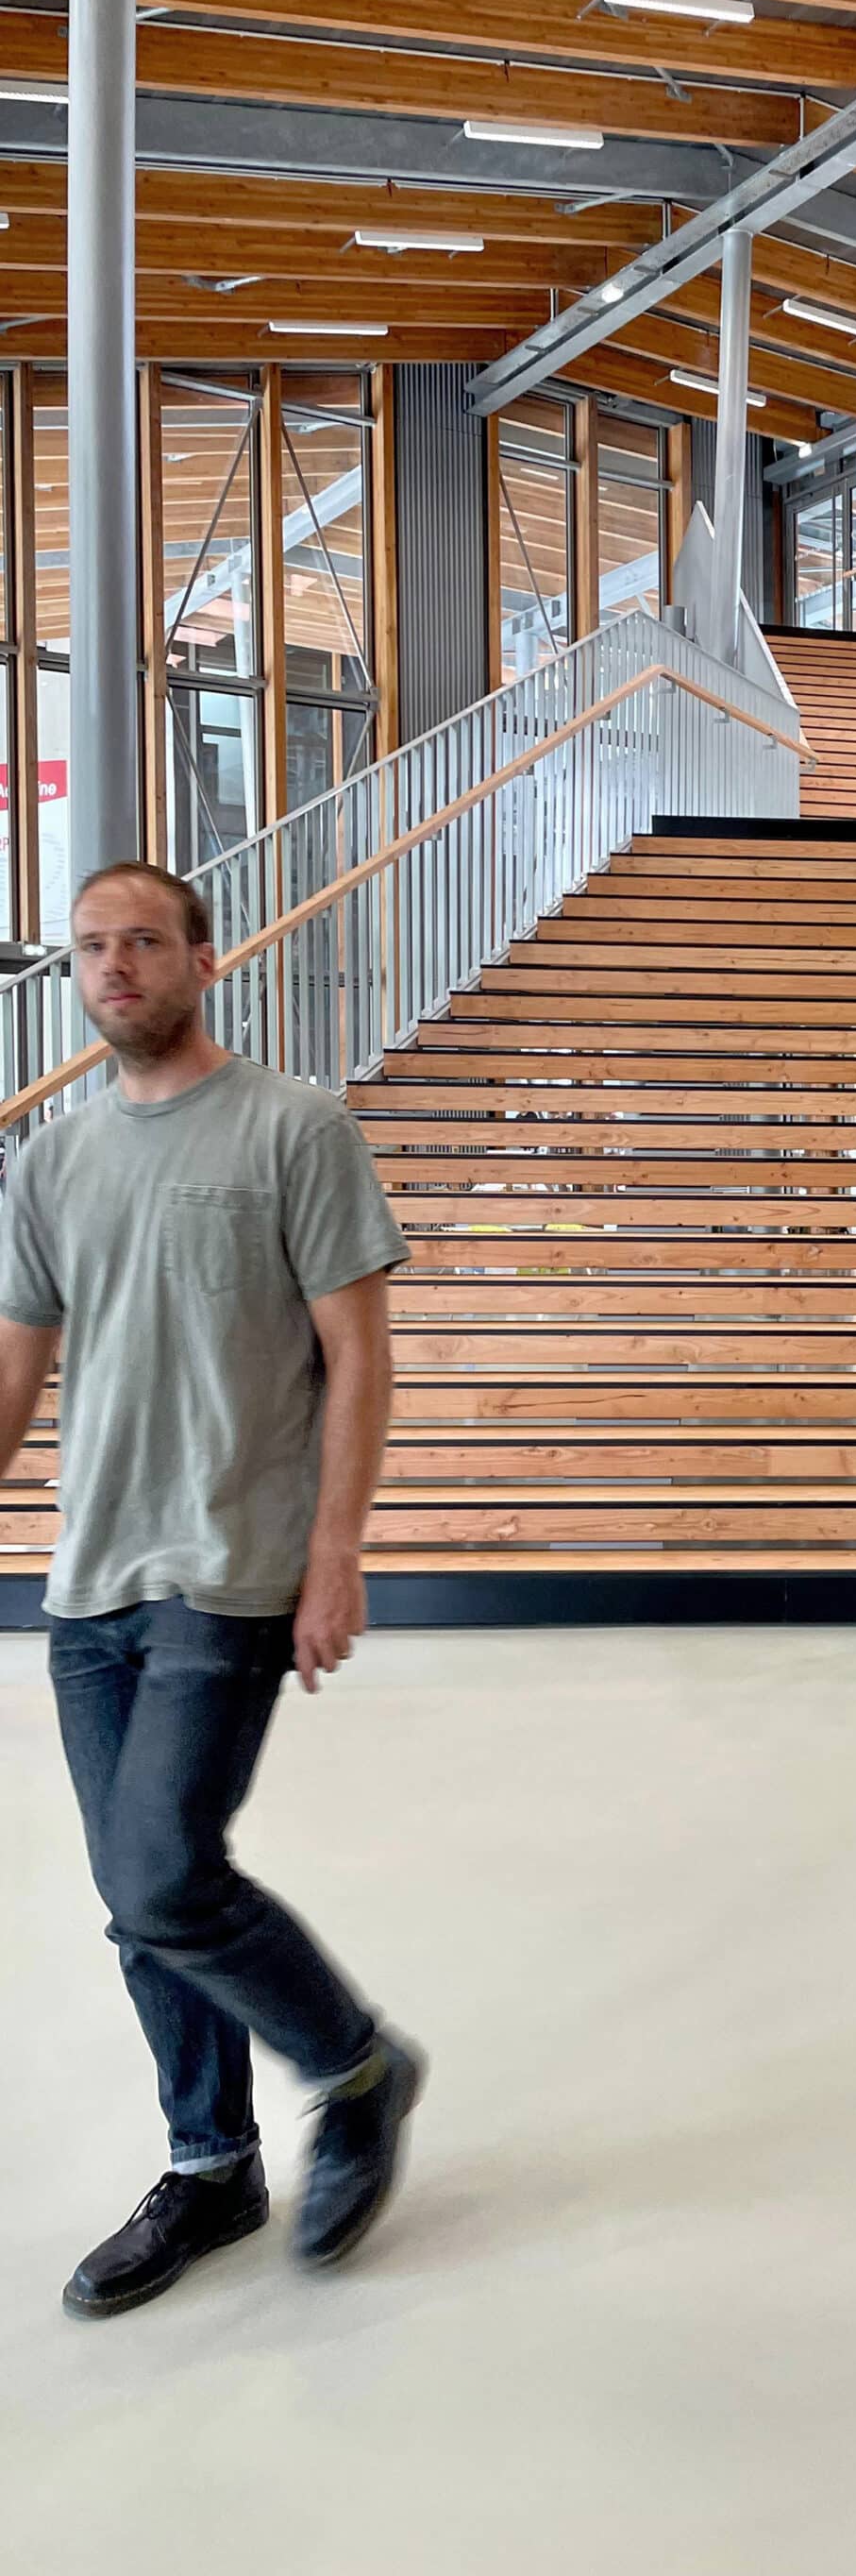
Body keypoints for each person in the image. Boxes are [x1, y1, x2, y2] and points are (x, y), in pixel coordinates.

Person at [0, 861, 423, 2319]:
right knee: (138, 1903)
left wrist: (336, 1550)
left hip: (230, 1568)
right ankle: (211, 2164)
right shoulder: (52, 1160)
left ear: (202, 957)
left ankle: (357, 2070)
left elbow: (358, 1357)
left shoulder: (295, 1129)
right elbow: (14, 1368)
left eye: (142, 943)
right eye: (92, 950)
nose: (116, 967)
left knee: (165, 1873)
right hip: (87, 1581)